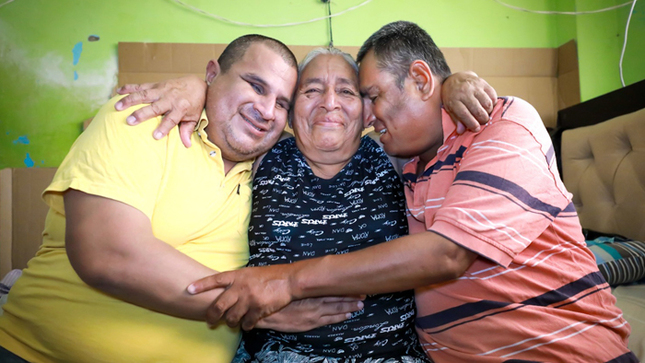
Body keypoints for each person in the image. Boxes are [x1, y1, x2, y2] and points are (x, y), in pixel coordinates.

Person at [184, 22, 636, 363]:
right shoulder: (405, 165)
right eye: (310, 91)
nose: (332, 104)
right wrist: (193, 90)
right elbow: (230, 122)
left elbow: (444, 254)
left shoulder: (465, 136)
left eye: (360, 94)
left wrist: (286, 280)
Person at [0, 34, 363, 363]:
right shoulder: (141, 119)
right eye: (254, 85)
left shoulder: (273, 168)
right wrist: (262, 306)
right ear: (211, 74)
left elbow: (338, 137)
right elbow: (107, 254)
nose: (267, 111)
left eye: (281, 102)